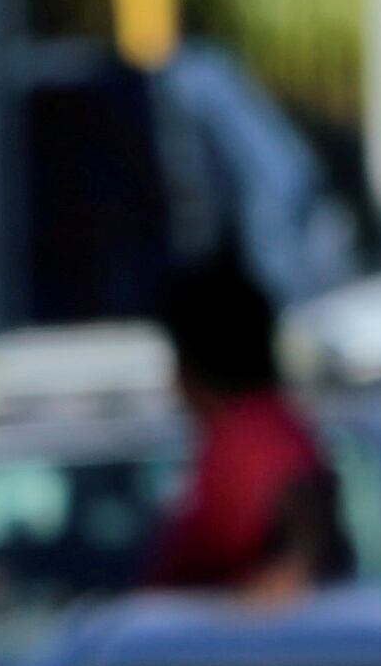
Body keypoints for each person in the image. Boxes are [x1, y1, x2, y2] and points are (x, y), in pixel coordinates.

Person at [133, 256, 342, 598]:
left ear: (193, 364)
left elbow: (303, 503)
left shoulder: (258, 434)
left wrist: (294, 569)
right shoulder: (243, 433)